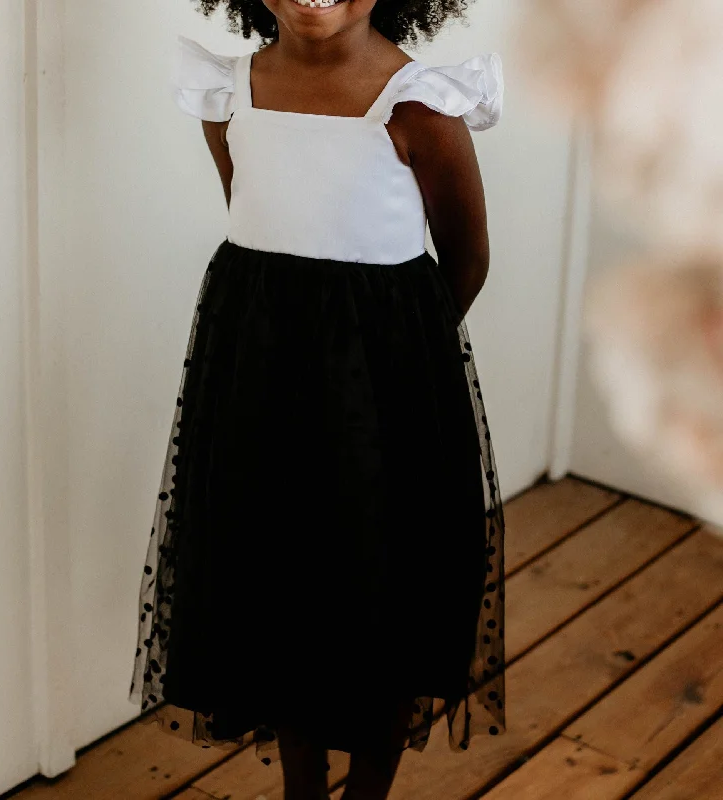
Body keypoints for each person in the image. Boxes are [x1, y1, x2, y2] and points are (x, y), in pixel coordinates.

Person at [130, 0, 507, 797]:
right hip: (258, 395)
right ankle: (303, 787)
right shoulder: (231, 93)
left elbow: (465, 259)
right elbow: (261, 243)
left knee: (380, 593)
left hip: (385, 404)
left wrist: (389, 366)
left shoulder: (418, 105)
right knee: (276, 585)